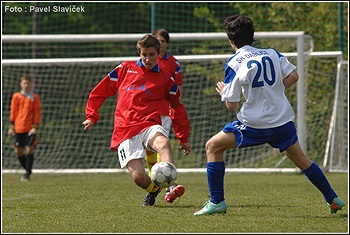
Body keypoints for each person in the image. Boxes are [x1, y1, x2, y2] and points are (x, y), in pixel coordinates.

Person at [194, 15, 345, 216]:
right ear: (253, 36)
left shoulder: (234, 62)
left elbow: (231, 106)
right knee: (302, 161)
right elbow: (294, 75)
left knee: (212, 146)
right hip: (282, 122)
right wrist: (273, 90)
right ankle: (333, 198)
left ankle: (217, 201)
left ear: (231, 41)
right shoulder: (272, 53)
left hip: (254, 125)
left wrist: (224, 94)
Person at [82, 34, 191, 207]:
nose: (148, 59)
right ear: (139, 53)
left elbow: (177, 106)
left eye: (152, 54)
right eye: (144, 54)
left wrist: (182, 137)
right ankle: (155, 190)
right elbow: (100, 91)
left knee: (163, 144)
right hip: (125, 129)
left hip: (149, 124)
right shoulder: (125, 68)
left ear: (159, 53)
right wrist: (91, 115)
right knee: (138, 177)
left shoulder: (165, 77)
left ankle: (171, 186)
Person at [143, 28, 185, 203]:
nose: (159, 44)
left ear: (166, 44)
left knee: (162, 145)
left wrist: (177, 109)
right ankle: (157, 185)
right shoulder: (145, 61)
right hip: (145, 113)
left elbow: (178, 89)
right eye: (156, 41)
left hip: (164, 112)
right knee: (148, 150)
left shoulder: (173, 64)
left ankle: (168, 186)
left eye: (162, 41)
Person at [8, 75, 42, 182]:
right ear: (20, 84)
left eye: (28, 83)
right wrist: (12, 126)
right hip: (18, 127)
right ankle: (28, 169)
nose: (26, 85)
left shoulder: (34, 97)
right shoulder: (16, 96)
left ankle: (27, 174)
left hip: (29, 128)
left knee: (30, 149)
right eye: (24, 83)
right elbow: (13, 111)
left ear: (31, 84)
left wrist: (35, 127)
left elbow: (37, 112)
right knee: (18, 151)